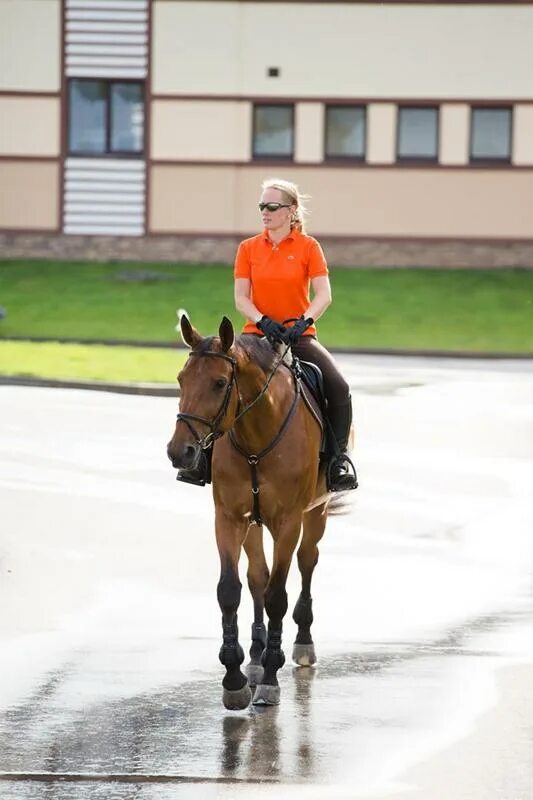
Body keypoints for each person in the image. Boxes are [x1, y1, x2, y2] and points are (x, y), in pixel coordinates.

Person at [177, 177, 358, 492]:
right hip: (254, 337)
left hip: (299, 337)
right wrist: (262, 321)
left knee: (338, 386)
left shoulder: (309, 247)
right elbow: (240, 298)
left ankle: (337, 460)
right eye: (262, 205)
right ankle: (202, 461)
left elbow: (324, 294)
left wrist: (303, 322)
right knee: (218, 383)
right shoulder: (248, 248)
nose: (265, 211)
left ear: (290, 211)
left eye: (272, 206)